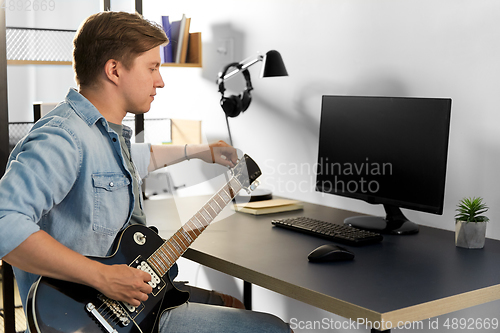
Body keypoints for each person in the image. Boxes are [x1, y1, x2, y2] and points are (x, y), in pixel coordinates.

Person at [0, 10, 291, 333]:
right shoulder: (62, 137)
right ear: (114, 70)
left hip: (134, 301)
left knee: (232, 303)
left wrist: (199, 151)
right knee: (273, 328)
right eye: (152, 68)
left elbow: (134, 160)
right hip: (93, 316)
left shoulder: (104, 133)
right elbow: (4, 223)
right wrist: (104, 276)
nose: (160, 81)